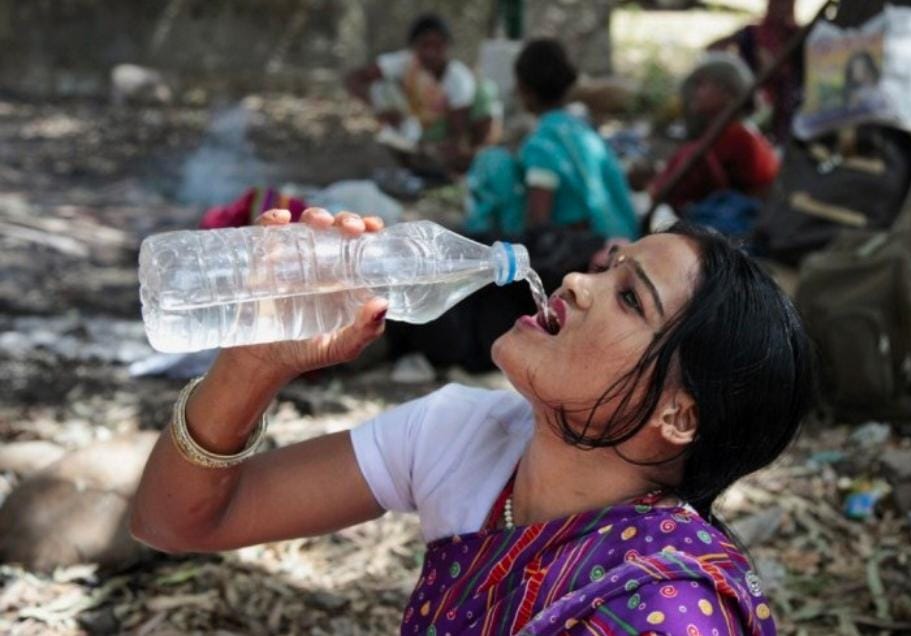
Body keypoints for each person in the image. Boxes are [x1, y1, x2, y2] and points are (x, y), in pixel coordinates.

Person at [132, 207, 814, 634]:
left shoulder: (662, 612)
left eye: (629, 298)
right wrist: (253, 366)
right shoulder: (464, 432)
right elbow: (177, 521)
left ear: (678, 414)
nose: (577, 282)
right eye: (608, 267)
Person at [465, 38, 639, 241]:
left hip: (596, 251)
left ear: (523, 89)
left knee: (493, 162)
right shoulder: (582, 131)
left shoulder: (541, 145)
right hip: (627, 236)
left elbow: (539, 222)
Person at [345, 14, 499, 175]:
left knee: (484, 90)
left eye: (437, 46)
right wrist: (379, 108)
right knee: (380, 86)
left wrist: (441, 150)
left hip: (441, 132)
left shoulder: (458, 78)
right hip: (409, 125)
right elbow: (355, 78)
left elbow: (457, 132)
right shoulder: (405, 64)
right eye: (424, 46)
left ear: (446, 46)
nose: (430, 53)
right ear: (414, 47)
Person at [648, 54, 781, 214]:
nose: (696, 93)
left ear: (727, 94)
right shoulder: (721, 132)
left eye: (703, 86)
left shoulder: (736, 135)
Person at [709, 0, 802, 143]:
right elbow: (713, 48)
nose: (780, 8)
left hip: (785, 101)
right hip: (752, 95)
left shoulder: (797, 36)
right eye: (776, 3)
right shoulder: (751, 33)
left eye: (785, 3)